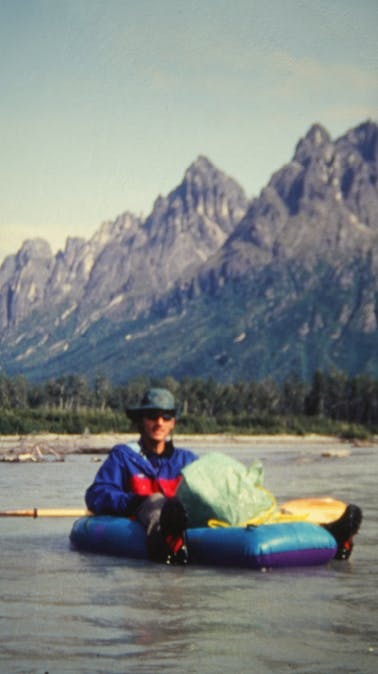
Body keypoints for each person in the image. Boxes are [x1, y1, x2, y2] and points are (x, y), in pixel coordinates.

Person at [85, 387, 198, 564]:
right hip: (145, 515)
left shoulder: (187, 459)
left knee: (175, 505)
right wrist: (134, 501)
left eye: (166, 417)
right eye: (153, 416)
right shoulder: (123, 456)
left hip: (182, 516)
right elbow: (97, 494)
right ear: (141, 421)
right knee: (157, 501)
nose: (159, 422)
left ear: (172, 423)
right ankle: (168, 554)